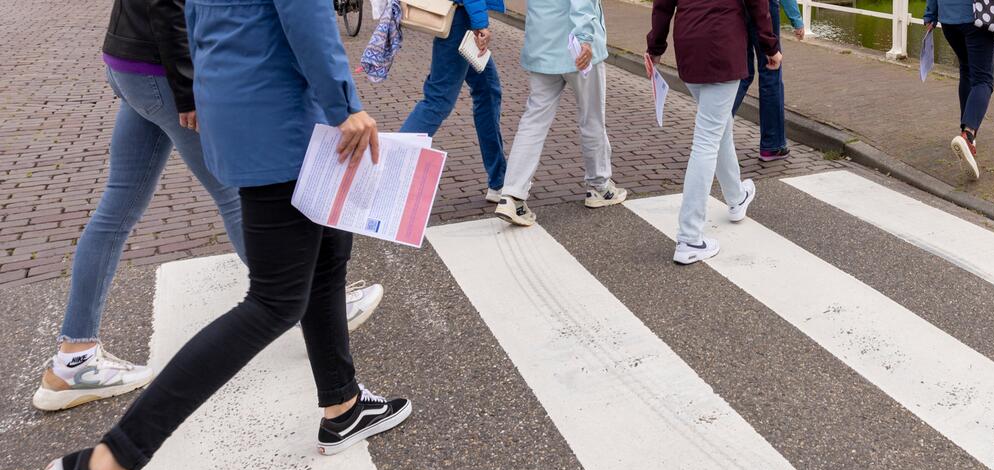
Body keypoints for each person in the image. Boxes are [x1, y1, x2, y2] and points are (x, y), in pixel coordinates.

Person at [42, 1, 411, 470]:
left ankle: (342, 405)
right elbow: (306, 18)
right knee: (273, 302)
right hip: (281, 120)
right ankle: (104, 469)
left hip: (247, 107)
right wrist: (348, 106)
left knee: (325, 263)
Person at [31, 0, 384, 413]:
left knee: (118, 207)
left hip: (129, 59)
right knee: (237, 197)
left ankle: (74, 354)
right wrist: (189, 91)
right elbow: (170, 6)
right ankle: (307, 303)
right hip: (165, 70)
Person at [647, 0, 782, 264]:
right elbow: (757, 3)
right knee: (707, 139)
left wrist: (655, 47)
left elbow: (662, 4)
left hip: (688, 45)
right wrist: (770, 46)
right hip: (723, 43)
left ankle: (736, 197)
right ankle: (689, 237)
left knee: (719, 127)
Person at [494, 0, 628, 227]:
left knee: (533, 121)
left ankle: (512, 194)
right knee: (592, 119)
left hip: (542, 47)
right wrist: (585, 40)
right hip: (576, 49)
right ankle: (599, 186)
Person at [401, 0, 507, 203]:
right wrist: (479, 22)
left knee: (488, 91)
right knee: (438, 101)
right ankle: (385, 170)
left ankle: (499, 182)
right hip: (462, 18)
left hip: (465, 17)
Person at [924, 0, 994, 179]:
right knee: (983, 80)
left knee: (966, 70)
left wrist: (930, 14)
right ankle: (968, 135)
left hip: (949, 21)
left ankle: (966, 132)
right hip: (976, 17)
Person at [732, 0, 805, 162]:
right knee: (771, 72)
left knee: (740, 72)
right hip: (764, 8)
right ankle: (772, 146)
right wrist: (796, 19)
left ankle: (714, 130)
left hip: (735, 8)